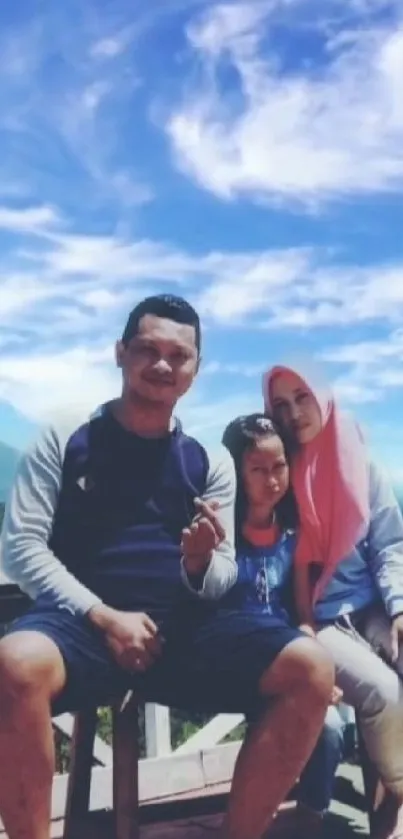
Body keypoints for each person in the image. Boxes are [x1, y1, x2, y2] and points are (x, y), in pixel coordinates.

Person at [0, 295, 334, 839]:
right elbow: (22, 549)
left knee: (312, 669)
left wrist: (199, 563)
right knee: (14, 661)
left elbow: (223, 573)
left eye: (178, 356)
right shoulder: (65, 437)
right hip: (81, 627)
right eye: (146, 349)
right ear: (119, 353)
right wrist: (105, 617)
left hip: (186, 628)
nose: (161, 364)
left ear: (195, 370)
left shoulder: (209, 458)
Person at [263, 362, 403, 839]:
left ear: (322, 396)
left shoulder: (360, 462)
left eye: (302, 397)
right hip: (314, 618)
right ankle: (398, 786)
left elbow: (388, 546)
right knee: (383, 692)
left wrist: (399, 608)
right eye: (280, 405)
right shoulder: (277, 472)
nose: (294, 413)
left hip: (370, 608)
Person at [222, 413, 347, 836]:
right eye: (258, 469)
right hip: (237, 658)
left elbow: (301, 613)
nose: (271, 480)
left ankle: (309, 819)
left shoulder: (291, 535)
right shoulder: (222, 535)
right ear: (237, 471)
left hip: (289, 654)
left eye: (278, 468)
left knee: (332, 730)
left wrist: (316, 662)